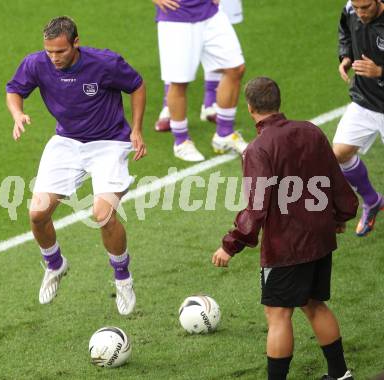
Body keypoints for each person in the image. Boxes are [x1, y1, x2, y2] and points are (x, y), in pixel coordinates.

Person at [211, 77, 358, 380]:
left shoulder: (258, 149)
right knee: (315, 304)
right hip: (319, 239)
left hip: (287, 248)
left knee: (278, 315)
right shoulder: (311, 131)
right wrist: (341, 214)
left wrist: (230, 245)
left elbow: (256, 208)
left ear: (250, 108)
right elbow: (335, 179)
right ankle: (340, 374)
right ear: (278, 102)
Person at [5, 16, 146, 315]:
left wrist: (136, 129)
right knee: (37, 213)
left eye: (60, 51)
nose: (54, 58)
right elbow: (14, 89)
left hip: (108, 144)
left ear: (76, 43)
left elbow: (136, 85)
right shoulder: (36, 64)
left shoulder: (105, 63)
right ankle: (55, 264)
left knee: (102, 215)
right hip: (67, 142)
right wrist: (17, 114)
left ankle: (123, 278)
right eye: (49, 52)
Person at [153, 0, 247, 161]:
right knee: (178, 82)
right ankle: (181, 142)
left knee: (235, 68)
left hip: (212, 13)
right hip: (176, 19)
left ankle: (224, 134)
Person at [335, 0, 384, 236]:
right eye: (357, 7)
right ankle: (372, 201)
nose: (360, 13)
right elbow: (345, 29)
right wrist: (345, 55)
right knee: (339, 154)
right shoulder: (350, 9)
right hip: (365, 101)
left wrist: (380, 72)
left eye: (366, 7)